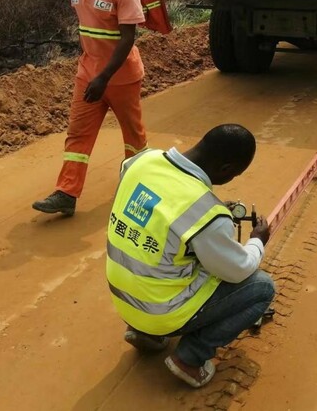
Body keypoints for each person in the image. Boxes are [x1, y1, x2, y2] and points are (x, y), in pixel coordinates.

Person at [106, 124, 275, 388]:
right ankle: (190, 358)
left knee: (162, 254)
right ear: (226, 169)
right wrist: (258, 240)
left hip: (123, 299)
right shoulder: (208, 214)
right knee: (262, 287)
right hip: (160, 311)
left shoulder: (140, 161)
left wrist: (210, 214)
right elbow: (239, 269)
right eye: (235, 175)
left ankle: (144, 333)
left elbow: (162, 210)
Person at [33, 0, 148, 216]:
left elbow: (127, 39)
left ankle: (137, 186)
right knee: (77, 134)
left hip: (120, 77)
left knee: (133, 137)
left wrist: (104, 77)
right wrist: (90, 65)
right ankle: (66, 193)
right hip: (88, 73)